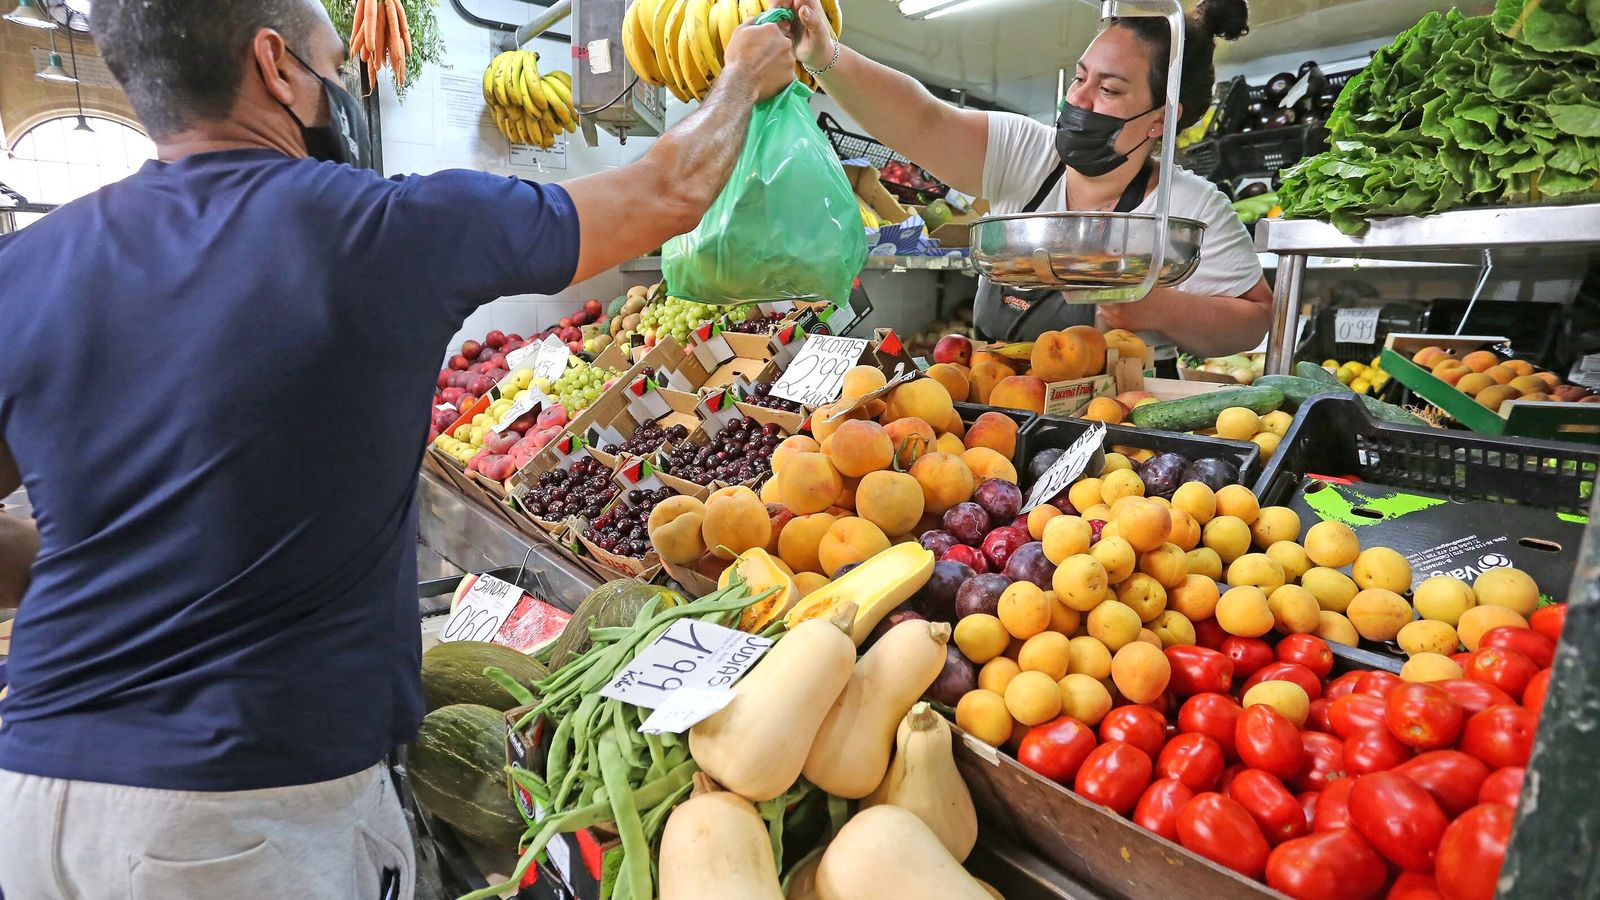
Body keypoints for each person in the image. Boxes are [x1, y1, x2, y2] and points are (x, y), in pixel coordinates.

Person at [0, 0, 795, 895]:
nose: (343, 84)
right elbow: (668, 191)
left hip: (32, 790)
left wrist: (98, 556)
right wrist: (744, 79)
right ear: (278, 68)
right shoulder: (377, 228)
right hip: (238, 814)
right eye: (336, 62)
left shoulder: (27, 268)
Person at [778, 0, 1272, 356]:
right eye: (1080, 78)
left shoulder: (1193, 207)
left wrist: (1156, 308)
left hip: (1122, 441)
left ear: (1161, 119)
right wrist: (825, 56)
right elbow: (922, 119)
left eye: (1109, 89)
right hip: (1001, 406)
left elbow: (1253, 322)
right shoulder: (1029, 153)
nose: (1078, 101)